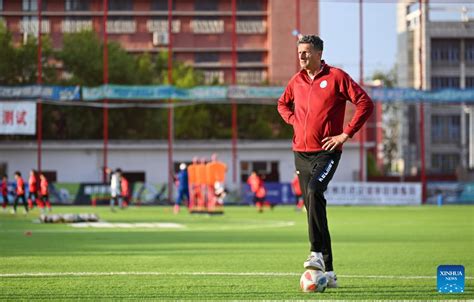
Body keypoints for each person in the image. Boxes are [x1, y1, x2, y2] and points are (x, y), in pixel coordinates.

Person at [277, 35, 374, 288]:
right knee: (314, 206)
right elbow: (282, 104)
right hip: (301, 152)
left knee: (313, 191)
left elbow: (365, 103)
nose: (302, 56)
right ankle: (329, 273)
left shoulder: (337, 77)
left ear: (319, 53)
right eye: (299, 52)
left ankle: (315, 253)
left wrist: (345, 134)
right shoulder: (296, 81)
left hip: (327, 152)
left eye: (307, 52)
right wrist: (293, 121)